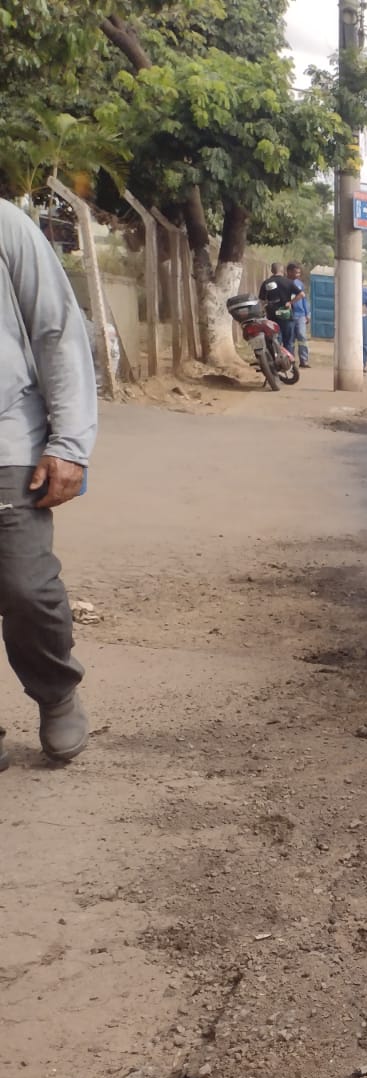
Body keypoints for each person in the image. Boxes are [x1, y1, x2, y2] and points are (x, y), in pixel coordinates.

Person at [0, 200, 98, 766]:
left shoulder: (8, 228)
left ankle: (56, 692)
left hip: (9, 437)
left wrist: (68, 444)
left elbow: (56, 330)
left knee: (23, 586)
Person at [286, 263, 310, 368]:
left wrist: (307, 313)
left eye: (299, 272)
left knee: (302, 337)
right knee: (290, 339)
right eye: (296, 272)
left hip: (300, 315)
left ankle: (304, 360)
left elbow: (304, 300)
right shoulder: (284, 283)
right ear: (289, 272)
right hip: (289, 315)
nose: (298, 274)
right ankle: (290, 360)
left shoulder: (300, 284)